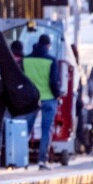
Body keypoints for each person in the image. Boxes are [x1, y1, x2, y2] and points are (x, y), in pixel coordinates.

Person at [22, 34, 64, 170]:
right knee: (46, 130)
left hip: (30, 99)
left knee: (26, 130)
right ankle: (42, 161)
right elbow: (53, 82)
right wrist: (57, 95)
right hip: (48, 98)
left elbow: (23, 80)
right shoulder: (51, 60)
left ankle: (22, 159)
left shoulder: (26, 60)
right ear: (48, 45)